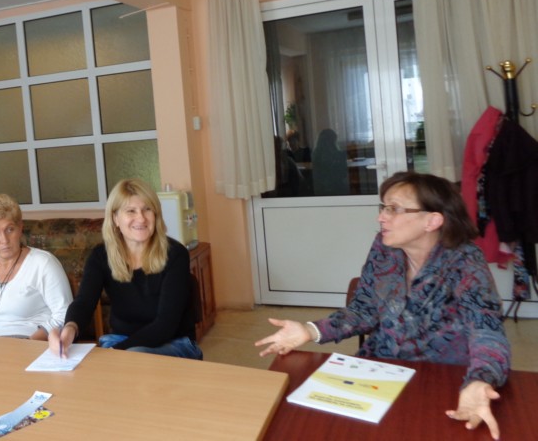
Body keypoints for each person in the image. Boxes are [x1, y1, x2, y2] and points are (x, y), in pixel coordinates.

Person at [255, 171, 510, 440]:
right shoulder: (385, 248)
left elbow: (487, 330)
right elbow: (364, 309)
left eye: (394, 209)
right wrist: (309, 330)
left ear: (432, 220)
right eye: (384, 207)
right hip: (380, 370)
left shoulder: (465, 261)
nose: (381, 217)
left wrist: (480, 379)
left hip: (442, 377)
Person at [49, 178, 202, 360]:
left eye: (147, 209)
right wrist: (70, 328)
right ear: (115, 218)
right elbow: (84, 302)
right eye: (131, 211)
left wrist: (116, 352)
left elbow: (165, 325)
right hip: (121, 340)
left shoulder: (175, 254)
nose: (141, 218)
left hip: (175, 343)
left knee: (133, 359)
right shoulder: (101, 255)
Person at [0, 194, 72, 338]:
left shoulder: (43, 263)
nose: (4, 240)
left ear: (20, 228)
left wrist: (31, 341)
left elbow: (64, 315)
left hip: (29, 343)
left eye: (10, 229)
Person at [311, 128, 349, 195]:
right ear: (333, 141)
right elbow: (343, 174)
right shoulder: (337, 155)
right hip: (336, 188)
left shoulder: (315, 154)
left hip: (319, 189)